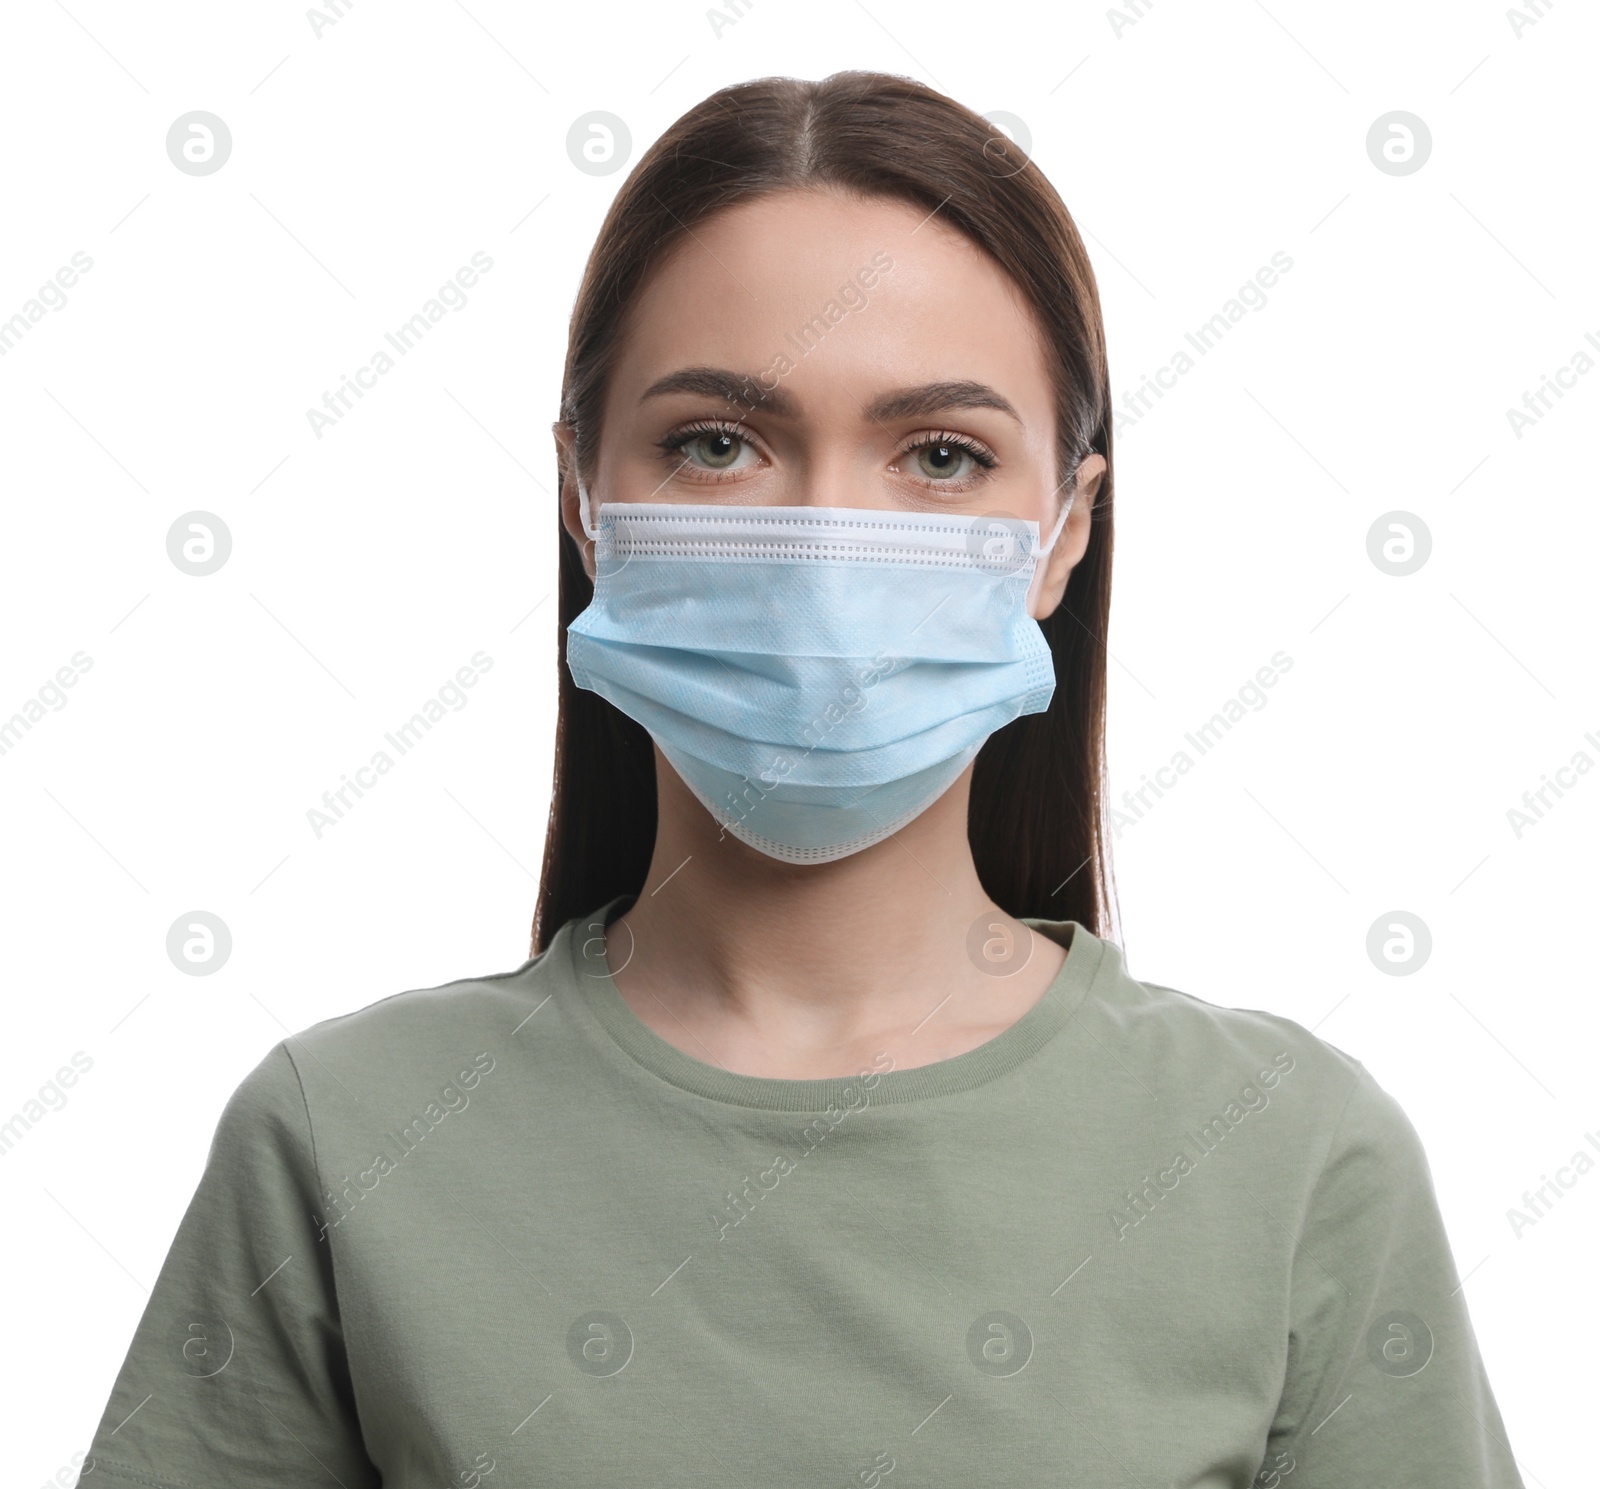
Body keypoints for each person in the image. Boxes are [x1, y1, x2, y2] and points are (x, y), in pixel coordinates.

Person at [82, 71, 1525, 1487]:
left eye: (942, 456)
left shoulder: (1291, 1162)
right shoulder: (342, 1142)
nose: (829, 543)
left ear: (1067, 530)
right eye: (718, 443)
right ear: (587, 500)